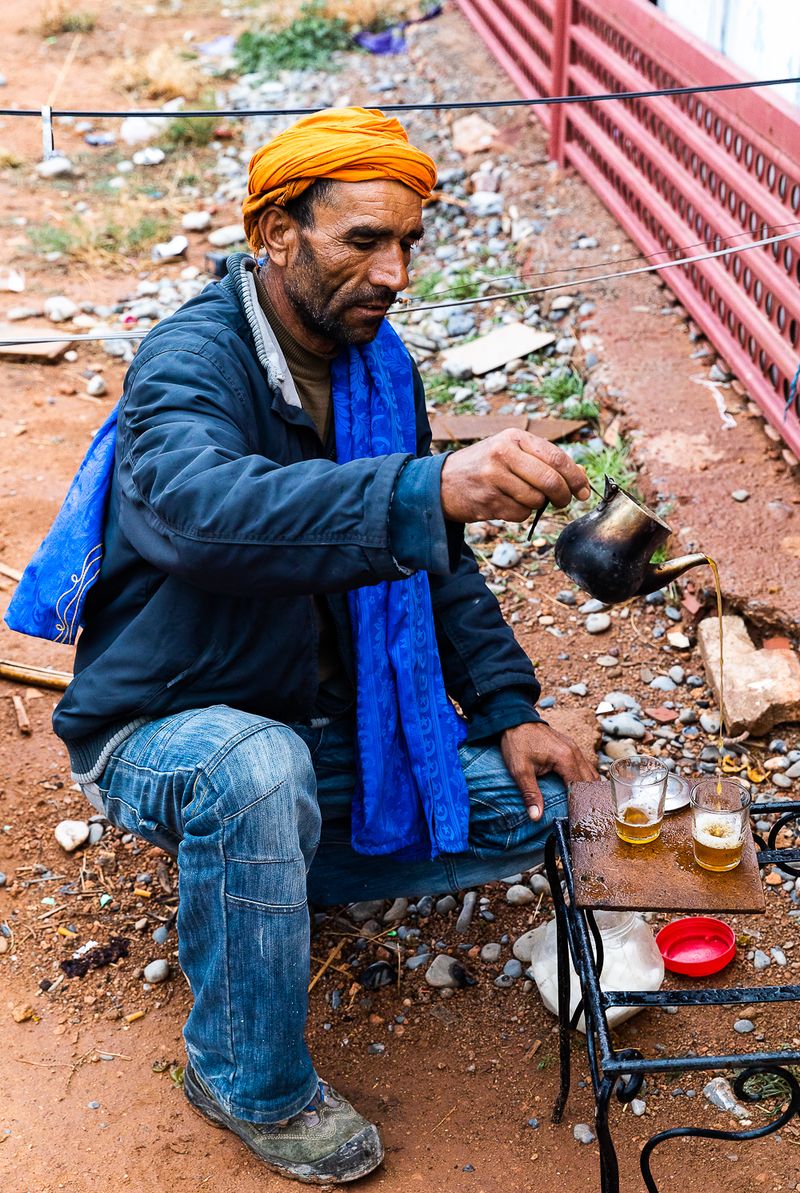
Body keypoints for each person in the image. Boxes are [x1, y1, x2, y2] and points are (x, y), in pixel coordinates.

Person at [50, 108, 597, 1184]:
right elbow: (201, 514)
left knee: (545, 809)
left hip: (320, 724)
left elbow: (433, 559)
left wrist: (507, 704)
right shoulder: (189, 359)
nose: (394, 273)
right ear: (276, 233)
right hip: (170, 725)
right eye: (363, 241)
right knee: (256, 773)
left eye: (408, 243)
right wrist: (422, 488)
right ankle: (245, 1075)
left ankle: (254, 879)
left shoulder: (377, 367)